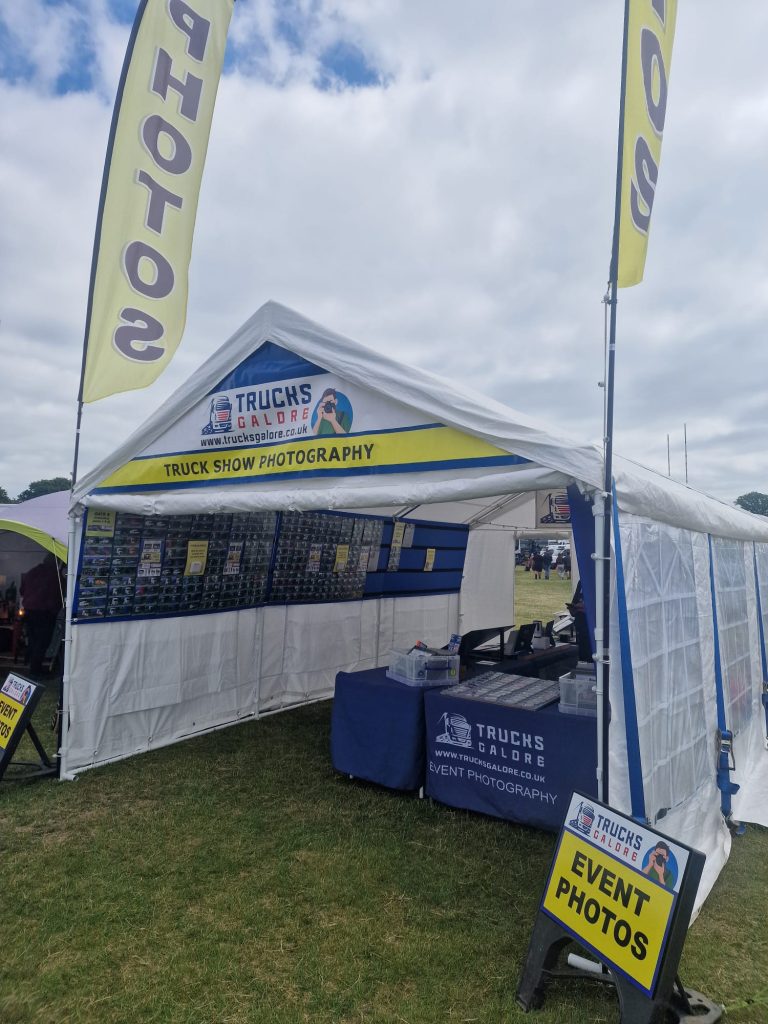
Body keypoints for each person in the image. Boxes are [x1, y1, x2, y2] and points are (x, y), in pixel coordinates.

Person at [20, 552, 64, 675]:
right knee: (42, 642)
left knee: (33, 640)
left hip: (29, 610)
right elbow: (59, 594)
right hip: (45, 612)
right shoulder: (55, 575)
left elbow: (22, 590)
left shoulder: (33, 571)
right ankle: (35, 670)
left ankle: (31, 666)